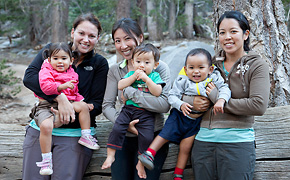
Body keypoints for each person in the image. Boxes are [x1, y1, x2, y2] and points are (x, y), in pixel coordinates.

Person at [22, 13, 109, 180]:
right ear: (72, 32)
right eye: (81, 33)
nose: (86, 39)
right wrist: (59, 98)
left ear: (98, 38)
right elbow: (29, 78)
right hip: (41, 128)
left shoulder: (99, 63)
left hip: (74, 134)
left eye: (92, 36)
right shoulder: (52, 50)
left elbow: (97, 104)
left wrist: (66, 116)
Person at [185, 11, 270, 180]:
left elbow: (258, 105)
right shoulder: (209, 64)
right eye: (222, 32)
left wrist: (218, 99)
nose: (227, 37)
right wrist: (191, 100)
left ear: (245, 34)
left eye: (233, 31)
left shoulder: (257, 65)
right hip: (203, 143)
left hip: (238, 144)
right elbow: (181, 89)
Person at [138, 48, 231, 180]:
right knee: (165, 134)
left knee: (185, 147)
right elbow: (172, 96)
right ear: (186, 70)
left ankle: (178, 174)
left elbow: (225, 89)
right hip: (178, 116)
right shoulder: (183, 80)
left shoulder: (214, 79)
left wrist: (221, 100)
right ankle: (149, 153)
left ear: (210, 69)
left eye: (201, 67)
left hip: (195, 121)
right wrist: (180, 104)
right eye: (191, 67)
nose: (196, 71)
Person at [102, 18, 171, 180]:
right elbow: (107, 106)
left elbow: (164, 104)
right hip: (124, 136)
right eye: (117, 41)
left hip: (152, 136)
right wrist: (123, 123)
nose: (123, 46)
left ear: (140, 38)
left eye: (127, 39)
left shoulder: (159, 67)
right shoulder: (115, 70)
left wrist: (131, 93)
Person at [32, 42, 100, 175]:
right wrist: (62, 88)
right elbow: (46, 87)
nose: (59, 62)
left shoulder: (72, 72)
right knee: (46, 126)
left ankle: (86, 136)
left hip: (69, 103)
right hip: (47, 104)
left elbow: (74, 93)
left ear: (71, 60)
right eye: (55, 58)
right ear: (49, 59)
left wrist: (82, 101)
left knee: (83, 107)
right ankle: (46, 160)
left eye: (64, 58)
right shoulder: (46, 70)